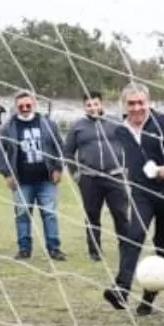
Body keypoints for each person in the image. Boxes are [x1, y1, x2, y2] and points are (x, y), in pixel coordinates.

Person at [103, 83, 164, 316]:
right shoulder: (119, 129)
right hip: (142, 193)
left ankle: (149, 299)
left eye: (141, 102)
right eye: (131, 103)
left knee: (163, 247)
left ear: (149, 102)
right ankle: (121, 289)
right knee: (135, 234)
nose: (137, 108)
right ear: (124, 106)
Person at [0, 91, 67, 261]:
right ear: (15, 107)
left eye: (28, 105)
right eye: (21, 106)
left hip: (46, 179)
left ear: (34, 104)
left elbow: (60, 147)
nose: (25, 109)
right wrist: (7, 173)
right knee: (22, 215)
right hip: (21, 181)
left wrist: (58, 168)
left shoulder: (48, 124)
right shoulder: (7, 128)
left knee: (49, 214)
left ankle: (54, 248)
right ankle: (24, 249)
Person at [62, 92, 130, 262]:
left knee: (121, 214)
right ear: (84, 106)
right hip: (90, 178)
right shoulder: (78, 127)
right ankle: (95, 251)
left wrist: (126, 168)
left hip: (115, 176)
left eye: (96, 104)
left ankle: (126, 248)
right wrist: (76, 174)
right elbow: (68, 152)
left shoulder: (116, 122)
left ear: (102, 104)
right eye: (89, 105)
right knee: (92, 215)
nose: (93, 108)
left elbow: (129, 145)